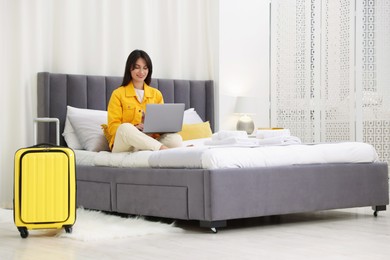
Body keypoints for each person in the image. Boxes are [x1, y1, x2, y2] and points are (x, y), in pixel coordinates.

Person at [106, 50, 183, 152]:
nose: (141, 72)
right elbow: (113, 128)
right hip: (126, 145)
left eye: (145, 68)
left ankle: (150, 148)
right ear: (130, 68)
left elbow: (162, 125)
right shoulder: (118, 94)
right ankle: (162, 149)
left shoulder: (156, 94)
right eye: (137, 67)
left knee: (175, 139)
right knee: (125, 128)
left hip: (149, 140)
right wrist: (135, 129)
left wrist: (151, 129)